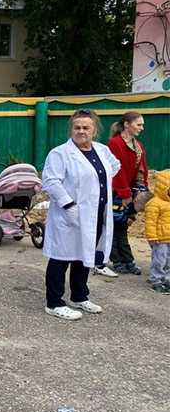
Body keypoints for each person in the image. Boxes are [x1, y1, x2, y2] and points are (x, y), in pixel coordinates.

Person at [41, 109, 121, 321]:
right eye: (77, 127)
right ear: (71, 129)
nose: (81, 131)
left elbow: (114, 166)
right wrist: (69, 205)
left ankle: (79, 296)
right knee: (60, 258)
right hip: (70, 215)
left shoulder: (102, 150)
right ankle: (54, 302)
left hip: (95, 214)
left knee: (84, 255)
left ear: (94, 130)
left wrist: (95, 185)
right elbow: (50, 181)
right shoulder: (60, 153)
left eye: (86, 127)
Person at [106, 111, 149, 276]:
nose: (142, 128)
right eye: (139, 124)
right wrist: (125, 194)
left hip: (130, 192)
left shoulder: (137, 145)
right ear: (126, 124)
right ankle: (118, 261)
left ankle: (127, 261)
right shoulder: (115, 143)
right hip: (117, 192)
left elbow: (142, 170)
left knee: (123, 227)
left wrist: (142, 189)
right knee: (115, 227)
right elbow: (117, 172)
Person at [144, 170, 170, 294]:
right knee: (159, 260)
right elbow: (150, 222)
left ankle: (167, 279)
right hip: (160, 239)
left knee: (168, 260)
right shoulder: (154, 204)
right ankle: (156, 279)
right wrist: (152, 236)